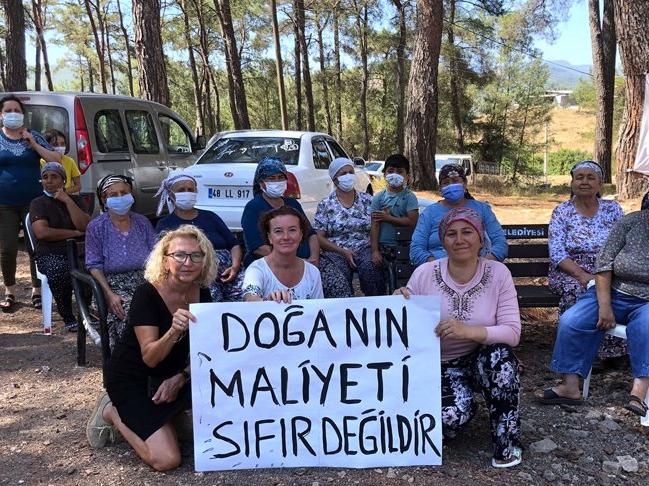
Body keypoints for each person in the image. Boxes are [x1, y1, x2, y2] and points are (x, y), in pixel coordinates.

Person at [395, 207, 522, 468]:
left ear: (480, 237)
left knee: (501, 357)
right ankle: (461, 409)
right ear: (442, 241)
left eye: (467, 232)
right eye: (451, 234)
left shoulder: (498, 274)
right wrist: (397, 302)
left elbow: (512, 332)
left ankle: (506, 443)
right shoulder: (425, 273)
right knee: (449, 418)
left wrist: (468, 331)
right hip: (436, 364)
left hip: (479, 358)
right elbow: (404, 325)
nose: (460, 240)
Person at [86, 225, 217, 471]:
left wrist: (182, 377)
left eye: (196, 255)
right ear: (165, 260)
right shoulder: (146, 294)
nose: (188, 262)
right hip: (135, 380)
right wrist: (174, 331)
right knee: (167, 459)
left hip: (171, 376)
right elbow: (150, 357)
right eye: (179, 255)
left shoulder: (202, 293)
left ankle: (170, 417)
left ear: (204, 260)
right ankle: (112, 411)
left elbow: (208, 350)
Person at [539, 207, 649, 417]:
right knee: (572, 320)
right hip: (612, 291)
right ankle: (570, 387)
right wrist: (605, 306)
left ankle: (638, 394)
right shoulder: (630, 223)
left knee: (646, 327)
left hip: (646, 301)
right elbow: (604, 264)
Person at [548, 160, 625, 363]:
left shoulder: (613, 209)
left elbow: (624, 243)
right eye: (579, 177)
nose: (584, 181)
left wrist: (608, 274)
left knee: (621, 291)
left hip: (608, 269)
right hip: (570, 270)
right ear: (572, 183)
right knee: (579, 291)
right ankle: (581, 353)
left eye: (591, 177)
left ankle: (612, 352)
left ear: (599, 184)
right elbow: (557, 252)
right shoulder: (562, 211)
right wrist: (582, 275)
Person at [0, 94, 62, 312]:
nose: (13, 114)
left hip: (33, 202)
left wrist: (33, 143)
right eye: (8, 111)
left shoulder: (33, 135)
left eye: (16, 110)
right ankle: (10, 290)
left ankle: (37, 290)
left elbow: (56, 159)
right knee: (7, 248)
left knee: (35, 246)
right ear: (1, 115)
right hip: (4, 203)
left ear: (23, 114)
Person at [85, 175, 156, 348]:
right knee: (132, 315)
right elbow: (94, 265)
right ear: (104, 200)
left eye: (124, 193)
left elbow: (157, 254)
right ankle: (131, 358)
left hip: (147, 280)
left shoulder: (142, 222)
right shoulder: (96, 227)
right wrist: (109, 294)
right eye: (113, 194)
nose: (120, 197)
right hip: (113, 284)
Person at [155, 170, 244, 301]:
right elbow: (163, 257)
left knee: (246, 295)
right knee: (213, 300)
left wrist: (235, 267)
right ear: (171, 194)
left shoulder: (210, 216)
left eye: (190, 189)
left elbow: (233, 244)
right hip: (199, 276)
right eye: (181, 190)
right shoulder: (166, 224)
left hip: (229, 272)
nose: (187, 193)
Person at [29, 162, 90, 331]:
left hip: (79, 251)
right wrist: (74, 233)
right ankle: (68, 316)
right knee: (58, 270)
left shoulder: (77, 200)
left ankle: (86, 313)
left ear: (63, 180)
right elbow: (42, 232)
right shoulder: (38, 203)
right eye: (45, 177)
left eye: (54, 177)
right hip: (51, 253)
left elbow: (84, 226)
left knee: (92, 269)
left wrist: (67, 200)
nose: (49, 181)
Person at [409, 163, 507, 266]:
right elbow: (416, 250)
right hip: (436, 271)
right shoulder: (429, 213)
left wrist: (480, 267)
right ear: (440, 188)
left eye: (455, 181)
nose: (451, 185)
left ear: (464, 184)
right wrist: (440, 268)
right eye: (446, 183)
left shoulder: (482, 209)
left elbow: (500, 244)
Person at [313, 157, 385, 298]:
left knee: (372, 268)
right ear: (334, 179)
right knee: (337, 274)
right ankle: (344, 309)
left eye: (351, 172)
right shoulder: (326, 204)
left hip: (364, 248)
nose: (348, 176)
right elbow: (319, 237)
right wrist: (343, 252)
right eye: (343, 173)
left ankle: (376, 307)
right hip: (336, 250)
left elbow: (375, 226)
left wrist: (375, 250)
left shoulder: (368, 200)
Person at [241, 157, 319, 267]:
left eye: (281, 177)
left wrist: (314, 258)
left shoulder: (293, 204)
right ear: (261, 183)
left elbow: (311, 234)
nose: (277, 182)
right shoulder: (253, 208)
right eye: (271, 178)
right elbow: (257, 247)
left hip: (306, 262)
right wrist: (294, 261)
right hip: (271, 264)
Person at [243, 206, 323, 303]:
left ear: (301, 235)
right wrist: (267, 301)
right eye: (278, 231)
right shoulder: (257, 269)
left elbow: (319, 308)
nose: (286, 237)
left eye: (292, 230)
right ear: (270, 237)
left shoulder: (313, 272)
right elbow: (250, 298)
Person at [369, 153, 419, 265]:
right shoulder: (378, 198)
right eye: (390, 171)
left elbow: (412, 222)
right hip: (383, 247)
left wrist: (388, 218)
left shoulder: (410, 197)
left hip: (404, 247)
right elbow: (375, 225)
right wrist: (375, 251)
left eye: (400, 172)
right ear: (384, 174)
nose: (395, 175)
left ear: (407, 176)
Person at [40, 129, 81, 194]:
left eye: (62, 144)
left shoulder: (69, 161)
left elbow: (78, 186)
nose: (60, 147)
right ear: (47, 145)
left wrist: (63, 192)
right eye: (55, 144)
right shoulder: (41, 162)